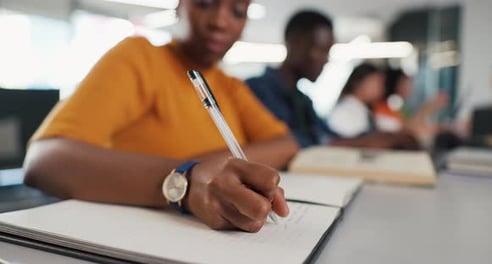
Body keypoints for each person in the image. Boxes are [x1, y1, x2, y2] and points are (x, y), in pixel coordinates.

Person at [23, 0, 299, 233]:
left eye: (237, 12)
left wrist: (217, 168)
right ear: (180, 5)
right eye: (205, 3)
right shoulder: (138, 57)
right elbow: (45, 161)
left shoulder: (230, 86)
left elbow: (286, 144)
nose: (220, 22)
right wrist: (186, 179)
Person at [247, 11, 417, 150]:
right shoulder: (256, 90)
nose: (325, 59)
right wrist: (364, 142)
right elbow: (289, 143)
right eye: (320, 50)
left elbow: (327, 136)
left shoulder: (302, 100)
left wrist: (379, 139)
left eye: (327, 52)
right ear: (293, 42)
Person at [328, 63, 419, 149]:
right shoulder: (344, 111)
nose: (382, 89)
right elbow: (354, 143)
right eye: (378, 83)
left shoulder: (364, 109)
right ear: (360, 83)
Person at [374, 68, 448, 142]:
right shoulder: (389, 105)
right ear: (395, 84)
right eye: (405, 84)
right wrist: (428, 108)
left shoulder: (401, 106)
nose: (410, 88)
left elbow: (415, 125)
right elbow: (410, 128)